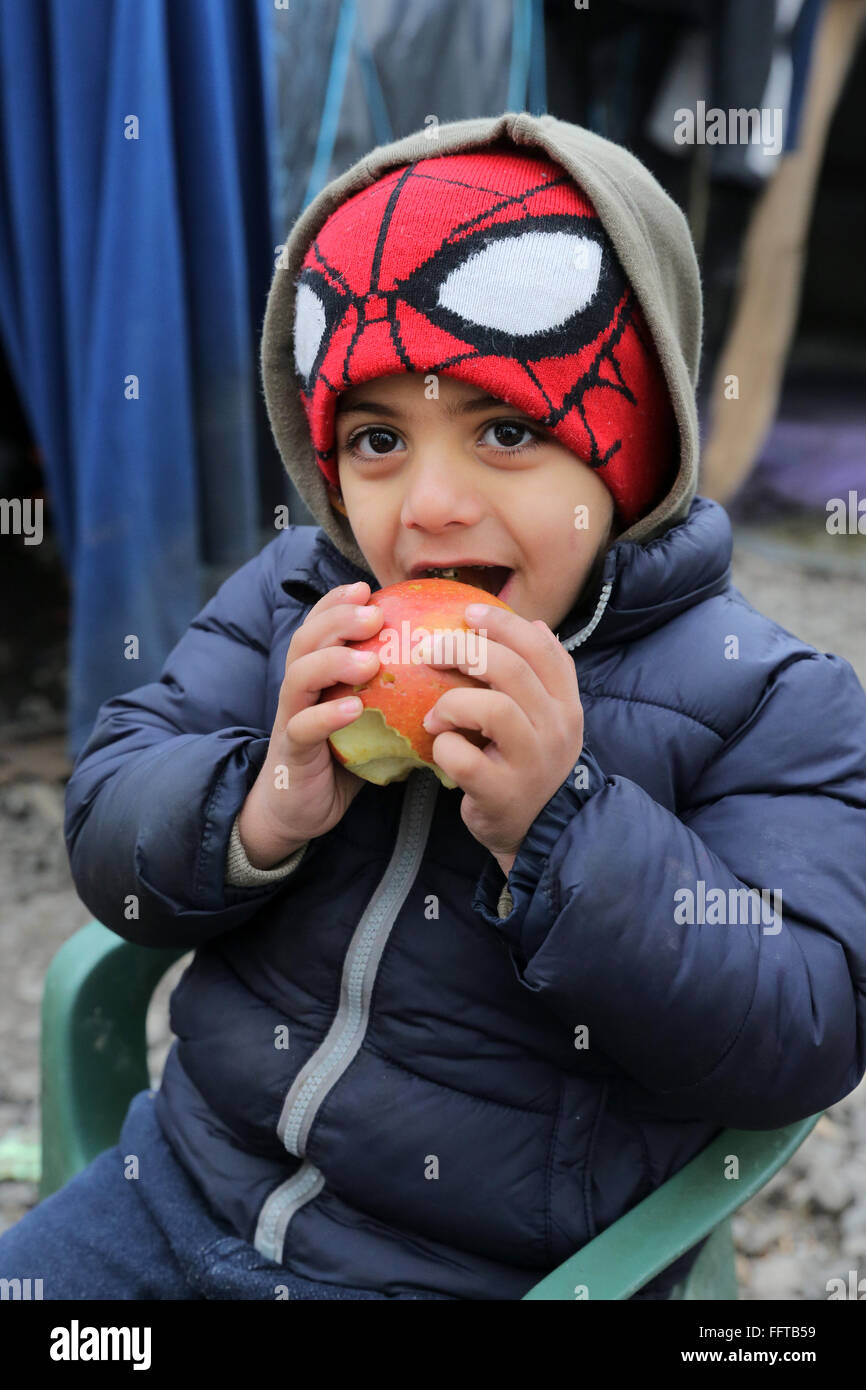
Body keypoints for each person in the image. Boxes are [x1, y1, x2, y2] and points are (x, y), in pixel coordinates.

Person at [3, 111, 866, 1302]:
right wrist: (258, 805)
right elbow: (108, 829)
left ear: (631, 447)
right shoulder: (295, 604)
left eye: (503, 430)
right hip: (178, 1193)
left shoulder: (760, 696)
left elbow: (802, 1027)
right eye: (375, 439)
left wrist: (562, 827)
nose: (430, 505)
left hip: (474, 1272)